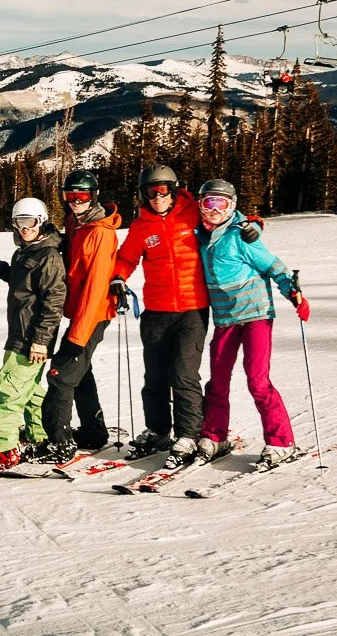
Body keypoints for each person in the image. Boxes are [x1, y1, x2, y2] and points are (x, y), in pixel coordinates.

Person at [110, 165, 262, 467]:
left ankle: (188, 434)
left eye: (163, 190)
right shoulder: (142, 226)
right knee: (154, 377)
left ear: (174, 189)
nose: (157, 197)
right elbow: (126, 257)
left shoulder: (193, 212)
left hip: (192, 309)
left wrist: (254, 224)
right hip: (155, 310)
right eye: (151, 192)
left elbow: (229, 216)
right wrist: (118, 277)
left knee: (184, 374)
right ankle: (157, 431)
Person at [195, 179, 310, 471]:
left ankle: (281, 442)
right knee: (217, 381)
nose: (213, 209)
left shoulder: (241, 236)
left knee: (257, 381)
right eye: (208, 202)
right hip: (225, 319)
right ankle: (215, 436)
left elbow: (274, 266)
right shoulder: (199, 236)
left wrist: (294, 294)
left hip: (256, 315)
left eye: (220, 203)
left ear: (231, 206)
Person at [0, 198, 66, 469]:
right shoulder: (26, 252)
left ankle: (1, 447)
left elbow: (53, 301)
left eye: (30, 222)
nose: (24, 228)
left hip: (30, 338)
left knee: (8, 391)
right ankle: (41, 436)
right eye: (19, 222)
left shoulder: (48, 256)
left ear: (42, 221)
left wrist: (40, 341)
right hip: (22, 332)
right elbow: (18, 279)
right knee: (31, 391)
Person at [38, 169, 120, 464]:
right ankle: (93, 431)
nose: (75, 202)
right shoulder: (76, 223)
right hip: (78, 311)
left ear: (93, 196)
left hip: (93, 312)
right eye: (69, 196)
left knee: (61, 373)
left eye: (81, 196)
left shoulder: (100, 232)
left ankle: (57, 441)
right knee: (80, 370)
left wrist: (77, 336)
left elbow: (96, 288)